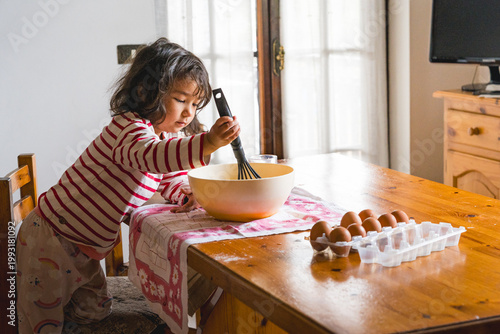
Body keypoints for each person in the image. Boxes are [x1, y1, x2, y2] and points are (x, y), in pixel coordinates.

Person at [16, 37, 240, 333]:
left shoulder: (165, 137)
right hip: (52, 238)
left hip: (87, 247)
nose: (189, 114)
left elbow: (168, 176)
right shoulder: (128, 128)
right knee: (42, 322)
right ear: (146, 92)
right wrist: (207, 142)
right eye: (181, 100)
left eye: (196, 105)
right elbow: (152, 158)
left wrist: (184, 194)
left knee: (94, 311)